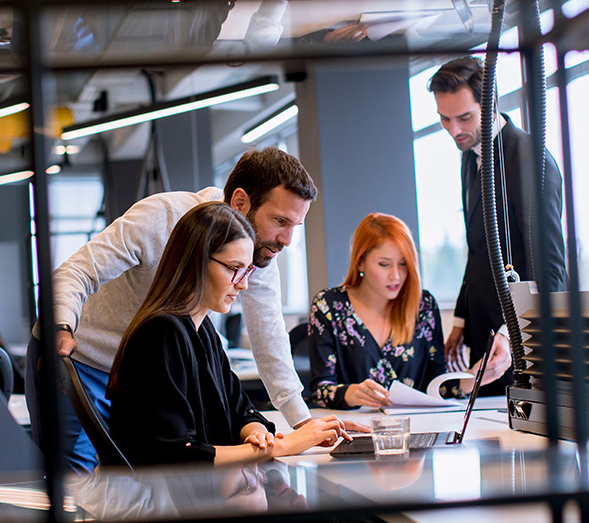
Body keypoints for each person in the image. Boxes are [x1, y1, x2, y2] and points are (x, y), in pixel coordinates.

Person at [25, 146, 363, 472]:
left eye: (295, 226)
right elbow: (77, 272)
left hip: (154, 372)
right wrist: (61, 327)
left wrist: (305, 425)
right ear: (241, 201)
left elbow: (270, 341)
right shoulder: (161, 217)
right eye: (280, 221)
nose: (287, 240)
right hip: (79, 356)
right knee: (79, 486)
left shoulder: (254, 257)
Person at [107, 201, 348, 467]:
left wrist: (259, 436)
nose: (243, 284)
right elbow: (178, 454)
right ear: (195, 262)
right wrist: (282, 446)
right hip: (164, 501)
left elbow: (240, 410)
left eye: (247, 271)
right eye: (234, 269)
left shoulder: (203, 329)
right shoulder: (161, 332)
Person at [427, 56, 567, 394]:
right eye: (444, 119)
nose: (454, 130)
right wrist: (460, 319)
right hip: (484, 336)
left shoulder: (529, 160)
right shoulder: (470, 154)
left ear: (490, 105)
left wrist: (510, 334)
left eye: (464, 118)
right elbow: (479, 249)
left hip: (522, 345)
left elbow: (551, 273)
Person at [308, 213, 507, 410]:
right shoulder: (327, 307)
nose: (396, 275)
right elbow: (320, 390)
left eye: (403, 264)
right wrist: (351, 394)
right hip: (354, 430)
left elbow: (436, 386)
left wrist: (473, 378)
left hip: (416, 429)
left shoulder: (424, 306)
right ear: (360, 262)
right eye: (384, 264)